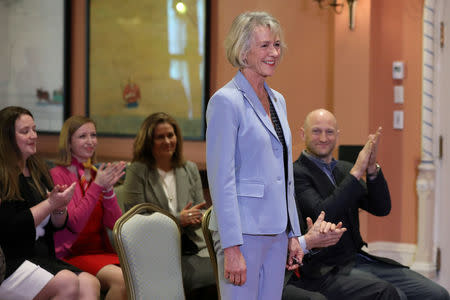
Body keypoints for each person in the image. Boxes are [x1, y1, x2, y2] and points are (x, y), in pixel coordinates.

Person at [286, 108, 450, 300]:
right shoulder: (297, 173)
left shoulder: (344, 170)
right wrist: (356, 172)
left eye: (329, 132)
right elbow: (323, 213)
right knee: (396, 295)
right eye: (316, 131)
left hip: (359, 259)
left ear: (337, 136)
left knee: (437, 294)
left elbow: (381, 208)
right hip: (326, 268)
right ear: (302, 134)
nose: (323, 138)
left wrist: (372, 169)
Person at [205, 11, 303, 300]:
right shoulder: (225, 101)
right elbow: (222, 180)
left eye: (276, 45)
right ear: (242, 50)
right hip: (243, 234)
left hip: (277, 232)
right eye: (264, 46)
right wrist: (232, 246)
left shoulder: (279, 100)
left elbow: (285, 174)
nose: (273, 52)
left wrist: (293, 232)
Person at [0, 106, 100, 300]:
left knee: (90, 283)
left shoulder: (38, 168)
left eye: (34, 129)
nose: (34, 136)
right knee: (68, 282)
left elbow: (57, 225)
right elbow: (10, 228)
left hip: (42, 257)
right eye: (25, 131)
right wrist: (50, 204)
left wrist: (60, 208)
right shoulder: (3, 175)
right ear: (7, 138)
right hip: (13, 261)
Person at [121, 112, 215, 296]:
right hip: (154, 247)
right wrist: (177, 219)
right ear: (148, 141)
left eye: (170, 135)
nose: (167, 141)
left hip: (193, 245)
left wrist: (198, 216)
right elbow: (134, 220)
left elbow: (200, 208)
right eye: (160, 137)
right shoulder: (137, 171)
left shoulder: (189, 168)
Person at [50, 116, 127, 300]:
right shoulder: (56, 174)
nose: (90, 141)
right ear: (68, 143)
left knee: (141, 275)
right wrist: (98, 186)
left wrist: (108, 190)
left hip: (101, 250)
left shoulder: (96, 174)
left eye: (93, 135)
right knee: (124, 281)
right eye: (83, 136)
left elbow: (115, 223)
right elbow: (74, 222)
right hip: (72, 252)